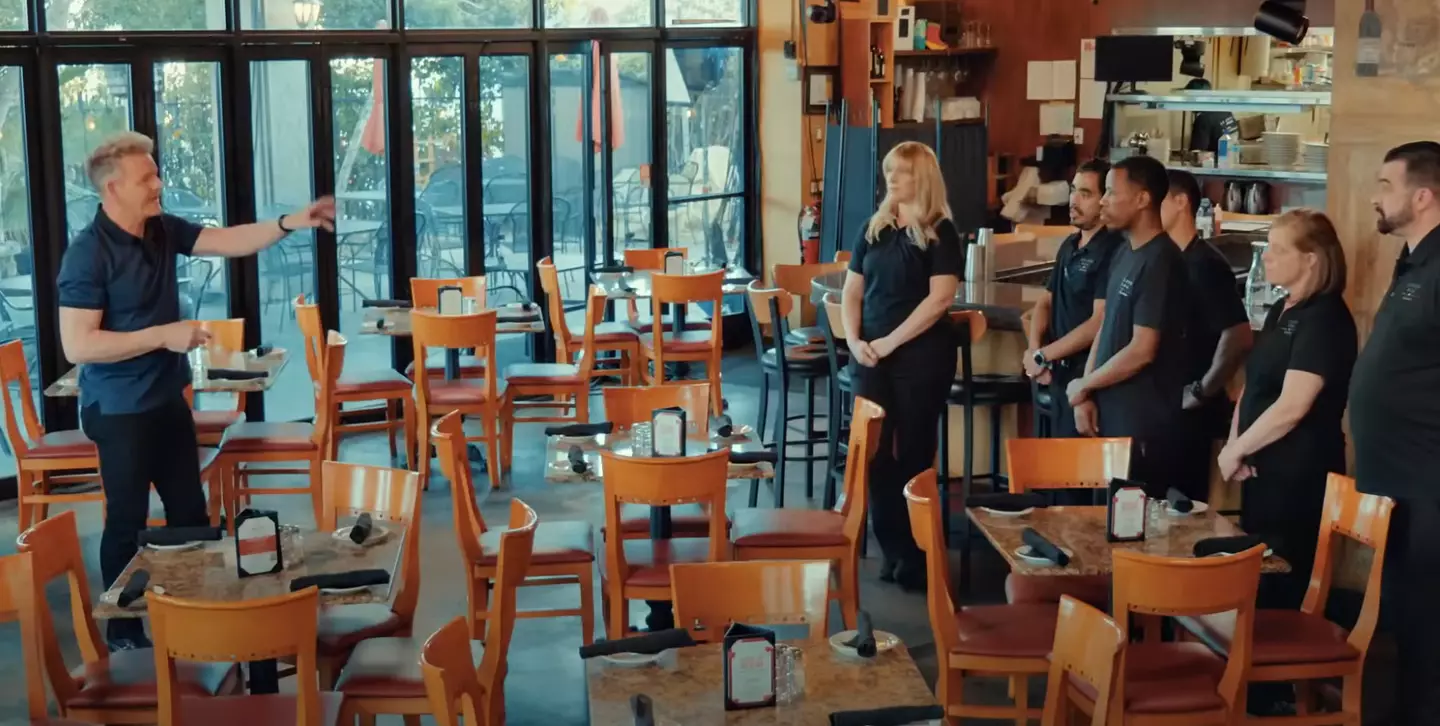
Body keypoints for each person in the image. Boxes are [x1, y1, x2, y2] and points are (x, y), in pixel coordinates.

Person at [56, 131, 335, 650]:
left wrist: (288, 222)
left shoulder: (160, 229)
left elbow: (225, 240)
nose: (159, 184)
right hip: (116, 409)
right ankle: (122, 631)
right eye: (147, 178)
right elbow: (78, 345)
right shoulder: (86, 255)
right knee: (126, 521)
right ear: (113, 189)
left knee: (189, 512)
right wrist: (164, 335)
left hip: (166, 398)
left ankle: (194, 614)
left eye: (156, 173)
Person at [1216, 210, 1356, 715]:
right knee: (1259, 578)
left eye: (1276, 250)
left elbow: (1293, 406)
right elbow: (1254, 389)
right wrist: (1238, 445)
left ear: (1311, 259)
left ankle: (1276, 696)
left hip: (1300, 474)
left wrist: (1236, 450)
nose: (1266, 258)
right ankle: (1253, 687)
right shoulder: (1282, 309)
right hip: (1261, 469)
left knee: (1283, 579)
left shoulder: (1326, 319)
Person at [842, 141, 962, 591]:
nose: (892, 179)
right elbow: (853, 291)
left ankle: (918, 553)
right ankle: (893, 547)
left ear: (923, 178)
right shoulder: (874, 228)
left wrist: (889, 342)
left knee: (912, 454)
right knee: (873, 454)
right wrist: (854, 341)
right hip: (871, 356)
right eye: (889, 171)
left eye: (903, 172)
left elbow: (940, 300)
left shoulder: (939, 231)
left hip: (920, 357)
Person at [1349, 140, 1440, 726]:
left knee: (1430, 621)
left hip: (1429, 480)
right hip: (1396, 481)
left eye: (1386, 185)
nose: (1376, 196)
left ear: (1424, 196)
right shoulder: (1414, 261)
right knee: (1407, 616)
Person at [1066, 155, 1191, 494]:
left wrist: (1085, 382)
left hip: (1143, 424)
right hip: (1110, 416)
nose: (1103, 201)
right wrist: (1085, 391)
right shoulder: (1123, 251)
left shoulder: (1162, 260)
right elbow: (1106, 326)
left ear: (1142, 199)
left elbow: (1142, 349)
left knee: (1134, 529)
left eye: (1110, 192)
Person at [1162, 169, 1254, 501]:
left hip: (1191, 416)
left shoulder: (1205, 265)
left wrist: (1201, 391)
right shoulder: (1167, 259)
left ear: (1180, 202)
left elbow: (1239, 334)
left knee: (1183, 509)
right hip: (1165, 407)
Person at [1023, 159, 1124, 437]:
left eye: (1085, 194)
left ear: (1104, 200)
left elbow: (1098, 322)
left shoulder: (1113, 248)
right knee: (1056, 471)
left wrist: (1044, 355)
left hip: (1089, 374)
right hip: (1058, 372)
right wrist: (1035, 352)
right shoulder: (1069, 245)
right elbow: (1044, 302)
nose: (1073, 200)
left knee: (1082, 474)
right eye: (1073, 190)